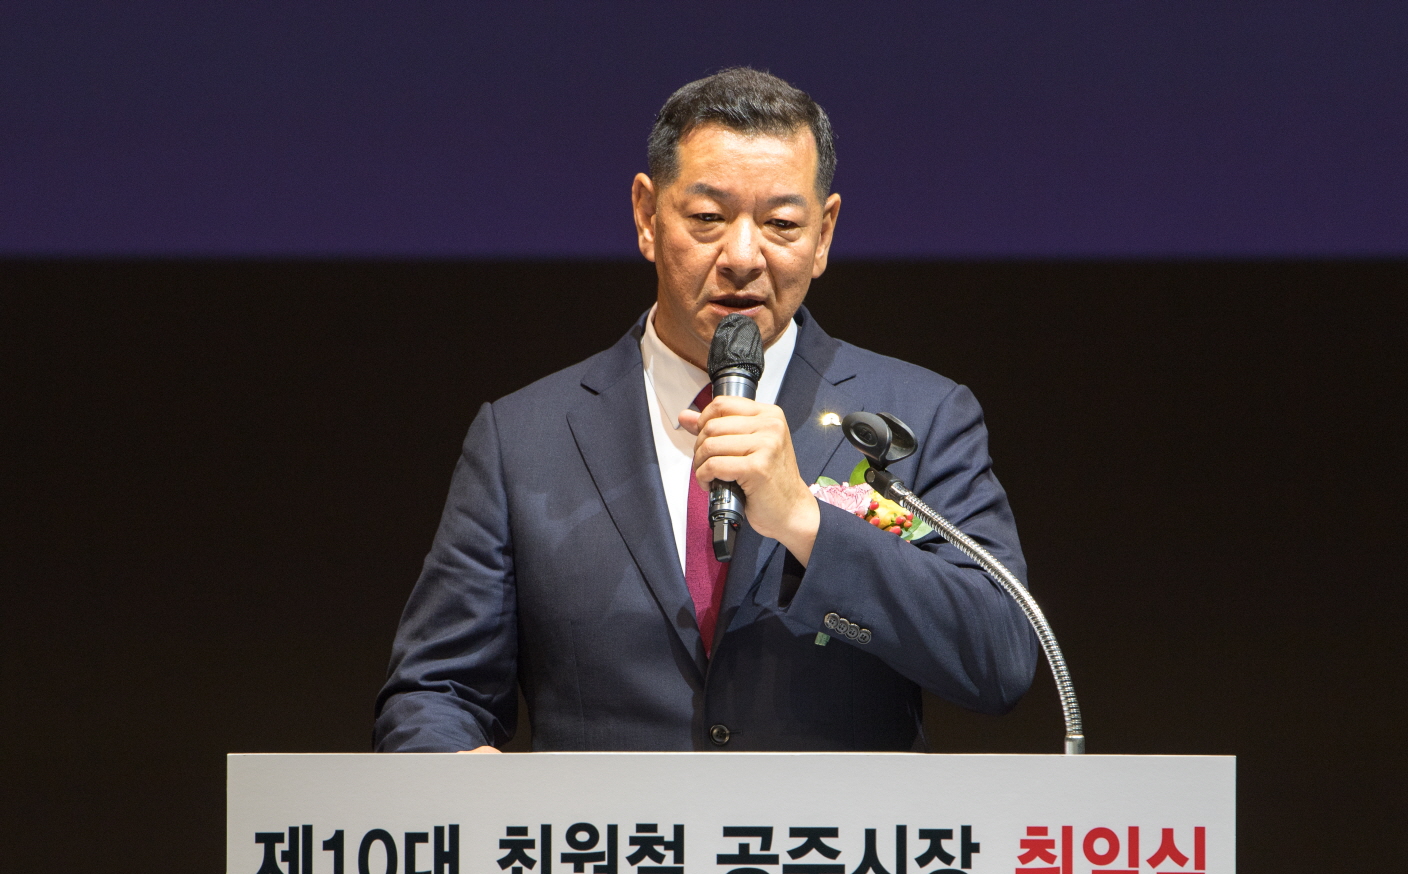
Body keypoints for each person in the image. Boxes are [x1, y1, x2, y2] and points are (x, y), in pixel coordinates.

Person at [374, 68, 1039, 753]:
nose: (742, 257)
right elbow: (435, 691)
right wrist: (455, 771)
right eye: (707, 219)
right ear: (646, 216)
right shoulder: (523, 440)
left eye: (781, 224)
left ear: (824, 234)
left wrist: (807, 523)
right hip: (612, 827)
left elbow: (1001, 656)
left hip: (827, 827)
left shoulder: (919, 415)